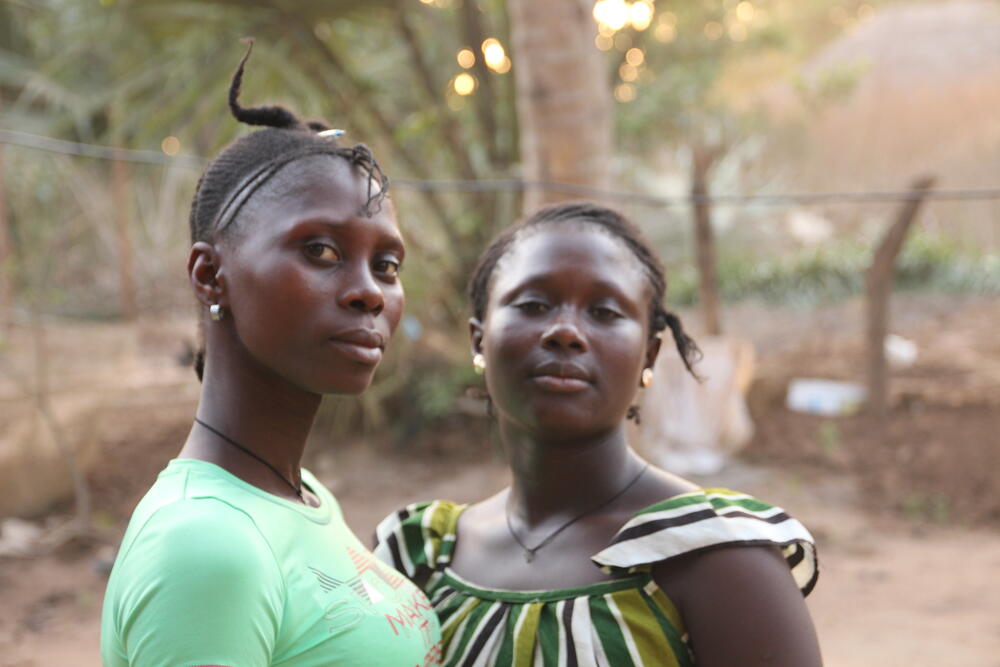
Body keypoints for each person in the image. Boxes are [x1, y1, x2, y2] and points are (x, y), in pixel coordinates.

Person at [101, 43, 442, 667]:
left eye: (387, 265)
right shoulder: (204, 545)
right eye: (319, 251)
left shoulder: (300, 495)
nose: (370, 291)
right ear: (210, 275)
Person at [374, 202, 821, 666]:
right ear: (479, 340)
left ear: (648, 357)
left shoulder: (719, 558)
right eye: (533, 304)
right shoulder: (416, 557)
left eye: (605, 312)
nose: (565, 331)